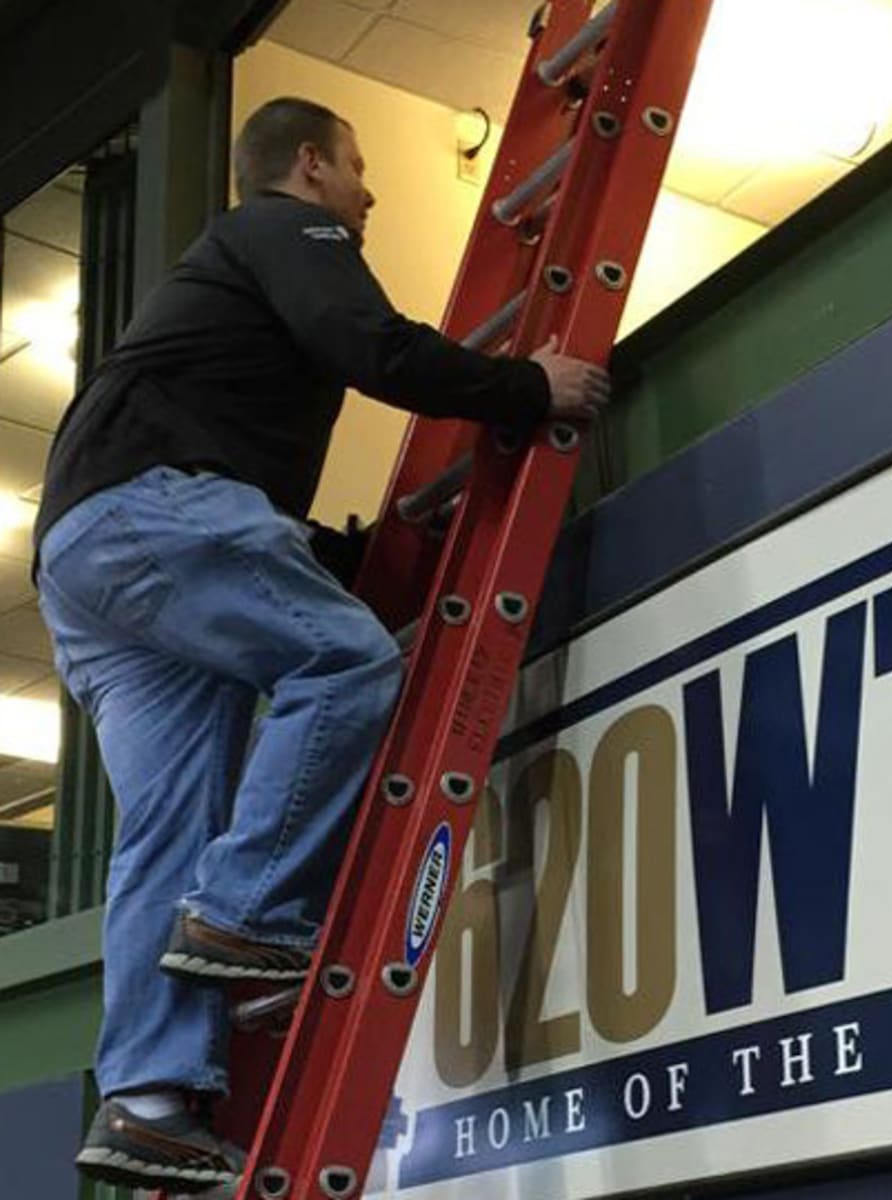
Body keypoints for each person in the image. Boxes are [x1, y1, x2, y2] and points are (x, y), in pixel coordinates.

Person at [34, 95, 611, 1194]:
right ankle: (250, 918)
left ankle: (149, 1101)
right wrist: (528, 385)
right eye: (356, 169)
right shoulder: (281, 229)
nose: (371, 193)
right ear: (309, 167)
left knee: (169, 827)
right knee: (345, 663)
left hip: (90, 560)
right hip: (151, 513)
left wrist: (336, 562)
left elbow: (234, 488)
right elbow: (364, 342)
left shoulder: (209, 297)